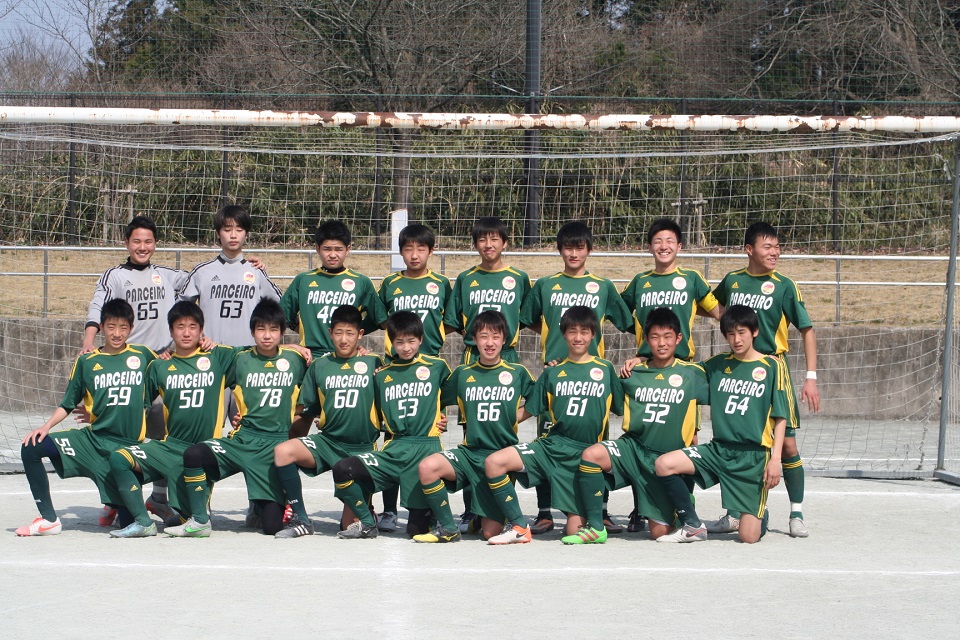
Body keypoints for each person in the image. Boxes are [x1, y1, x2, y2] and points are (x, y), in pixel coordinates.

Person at [519, 221, 632, 535]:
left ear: (589, 250)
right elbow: (527, 319)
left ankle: (601, 512)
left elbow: (627, 321)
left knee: (596, 446)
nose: (573, 253)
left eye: (579, 247)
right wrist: (552, 340)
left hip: (593, 380)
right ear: (559, 250)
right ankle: (544, 512)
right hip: (556, 375)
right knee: (546, 443)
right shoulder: (545, 285)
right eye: (568, 247)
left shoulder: (604, 286)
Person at [710, 222, 819, 538]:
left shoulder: (784, 285)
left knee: (787, 444)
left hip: (773, 368)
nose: (775, 252)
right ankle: (735, 513)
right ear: (749, 249)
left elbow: (807, 329)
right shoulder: (733, 281)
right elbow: (711, 305)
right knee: (738, 440)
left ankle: (796, 513)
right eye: (767, 246)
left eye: (777, 246)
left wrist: (811, 377)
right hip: (740, 370)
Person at [562, 307, 708, 544]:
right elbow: (594, 384)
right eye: (655, 337)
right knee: (592, 455)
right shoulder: (632, 373)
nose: (662, 343)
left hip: (664, 459)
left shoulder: (693, 373)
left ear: (679, 338)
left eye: (667, 337)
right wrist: (560, 368)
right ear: (646, 340)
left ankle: (680, 503)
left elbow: (729, 375)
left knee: (659, 533)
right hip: (633, 448)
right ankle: (596, 526)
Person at [483, 305, 624, 544]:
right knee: (494, 462)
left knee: (573, 531)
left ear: (593, 334)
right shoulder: (553, 372)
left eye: (584, 332)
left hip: (585, 455)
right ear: (563, 334)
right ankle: (518, 525)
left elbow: (623, 408)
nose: (578, 337)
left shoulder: (605, 369)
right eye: (572, 331)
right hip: (552, 447)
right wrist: (492, 421)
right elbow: (528, 410)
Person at [16, 299, 156, 536]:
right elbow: (68, 403)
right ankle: (49, 520)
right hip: (92, 443)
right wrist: (46, 426)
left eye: (123, 327)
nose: (117, 333)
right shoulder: (87, 361)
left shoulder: (143, 355)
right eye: (111, 327)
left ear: (131, 328)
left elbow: (170, 370)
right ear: (101, 327)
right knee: (32, 446)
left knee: (128, 524)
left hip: (125, 452)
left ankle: (115, 502)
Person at [81, 215, 188, 524]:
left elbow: (204, 280)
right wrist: (89, 340)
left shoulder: (167, 275)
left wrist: (247, 263)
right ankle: (114, 498)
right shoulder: (115, 276)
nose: (143, 247)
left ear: (156, 244)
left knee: (165, 432)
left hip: (162, 364)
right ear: (127, 243)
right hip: (127, 367)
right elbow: (97, 306)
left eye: (148, 241)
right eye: (137, 241)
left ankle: (159, 497)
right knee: (121, 435)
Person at [618, 217, 721, 533]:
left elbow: (718, 312)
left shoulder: (691, 278)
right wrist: (640, 350)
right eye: (657, 241)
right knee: (642, 439)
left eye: (669, 241)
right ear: (649, 247)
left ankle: (684, 509)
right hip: (647, 370)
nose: (663, 246)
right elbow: (619, 313)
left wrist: (751, 339)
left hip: (682, 372)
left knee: (687, 440)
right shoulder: (640, 282)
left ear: (679, 246)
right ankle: (641, 508)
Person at [654, 305, 789, 544]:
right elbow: (678, 369)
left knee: (748, 537)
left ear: (755, 331)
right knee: (664, 464)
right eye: (731, 334)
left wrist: (775, 460)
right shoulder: (716, 365)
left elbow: (781, 417)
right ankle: (692, 524)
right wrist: (641, 360)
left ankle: (760, 514)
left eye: (742, 332)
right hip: (718, 451)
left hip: (752, 458)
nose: (736, 340)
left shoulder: (773, 367)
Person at [172, 300, 308, 537]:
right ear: (252, 331)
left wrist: (360, 351)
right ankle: (198, 517)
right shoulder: (238, 357)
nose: (267, 335)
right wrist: (168, 353)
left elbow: (327, 367)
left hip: (274, 446)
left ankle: (262, 504)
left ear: (282, 332)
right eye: (261, 329)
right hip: (242, 440)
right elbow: (192, 352)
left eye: (273, 330)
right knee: (194, 454)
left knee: (271, 528)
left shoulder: (296, 360)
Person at [106, 301, 236, 537]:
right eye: (180, 327)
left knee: (190, 518)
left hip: (203, 452)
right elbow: (136, 403)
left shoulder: (219, 356)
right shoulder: (159, 366)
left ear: (202, 330)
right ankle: (143, 522)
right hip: (171, 447)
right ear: (170, 331)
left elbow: (259, 355)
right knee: (119, 458)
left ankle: (190, 513)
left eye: (192, 327)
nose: (186, 333)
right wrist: (99, 411)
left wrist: (295, 347)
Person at [411, 310, 536, 543]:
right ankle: (448, 528)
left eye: (496, 337)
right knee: (428, 467)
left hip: (499, 457)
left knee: (490, 533)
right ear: (474, 339)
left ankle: (482, 517)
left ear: (504, 340)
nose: (490, 343)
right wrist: (439, 417)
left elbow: (539, 401)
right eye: (484, 336)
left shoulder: (517, 372)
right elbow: (434, 397)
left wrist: (514, 417)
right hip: (469, 453)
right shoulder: (463, 373)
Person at [444, 216, 533, 532]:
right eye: (482, 239)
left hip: (507, 357)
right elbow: (452, 322)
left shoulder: (519, 278)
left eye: (495, 239)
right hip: (474, 358)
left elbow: (531, 318)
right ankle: (472, 510)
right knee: (472, 436)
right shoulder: (466, 278)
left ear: (505, 243)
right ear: (475, 244)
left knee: (505, 434)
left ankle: (503, 508)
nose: (488, 244)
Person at [330, 311, 451, 539]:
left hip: (425, 448)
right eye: (399, 342)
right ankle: (367, 523)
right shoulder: (381, 374)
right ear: (391, 342)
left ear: (421, 339)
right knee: (344, 469)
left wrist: (441, 416)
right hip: (394, 447)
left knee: (416, 532)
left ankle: (431, 514)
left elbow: (453, 395)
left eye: (411, 341)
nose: (406, 347)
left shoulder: (437, 367)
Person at [271, 305, 385, 538]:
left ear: (360, 334)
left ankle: (367, 510)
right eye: (339, 332)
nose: (344, 339)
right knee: (283, 451)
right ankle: (301, 519)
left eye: (350, 333)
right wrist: (281, 432)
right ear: (330, 332)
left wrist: (437, 419)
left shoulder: (374, 363)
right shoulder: (319, 365)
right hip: (328, 443)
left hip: (361, 450)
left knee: (349, 527)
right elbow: (305, 412)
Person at [375, 222, 452, 532]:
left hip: (428, 369)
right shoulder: (390, 284)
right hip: (395, 368)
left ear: (431, 251)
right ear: (400, 252)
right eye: (408, 249)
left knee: (429, 436)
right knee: (392, 437)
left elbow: (451, 320)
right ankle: (389, 510)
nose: (415, 254)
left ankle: (429, 506)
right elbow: (381, 321)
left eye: (421, 248)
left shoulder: (442, 283)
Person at [280, 219, 387, 358]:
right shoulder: (304, 280)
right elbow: (281, 316)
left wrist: (355, 332)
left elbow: (380, 319)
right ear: (317, 249)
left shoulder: (361, 282)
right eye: (327, 249)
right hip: (311, 357)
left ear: (348, 249)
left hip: (347, 357)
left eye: (338, 249)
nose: (332, 254)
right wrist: (299, 332)